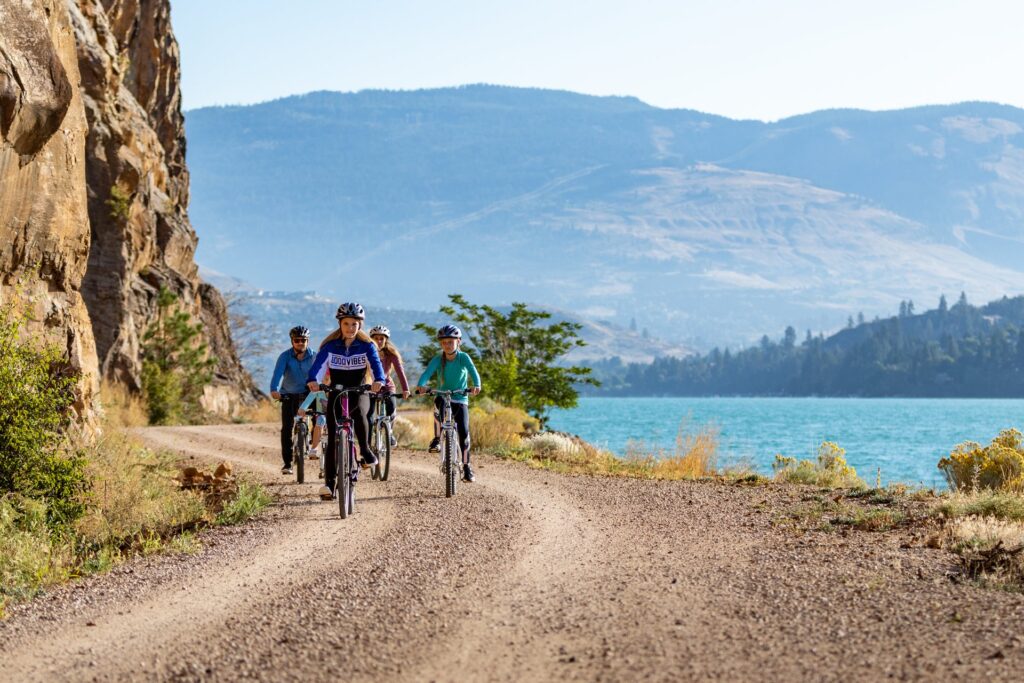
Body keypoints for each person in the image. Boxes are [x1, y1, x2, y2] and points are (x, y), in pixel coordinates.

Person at [306, 302, 385, 500]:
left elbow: (376, 366)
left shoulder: (367, 346)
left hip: (360, 390)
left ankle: (366, 450)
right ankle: (330, 484)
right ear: (340, 324)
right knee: (333, 437)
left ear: (360, 325)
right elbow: (317, 367)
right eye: (346, 324)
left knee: (360, 414)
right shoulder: (330, 346)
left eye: (354, 324)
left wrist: (378, 381)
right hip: (336, 391)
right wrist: (313, 381)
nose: (350, 328)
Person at [415, 324, 482, 482]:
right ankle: (437, 439)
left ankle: (466, 467)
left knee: (464, 433)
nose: (447, 345)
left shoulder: (463, 357)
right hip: (443, 395)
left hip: (460, 398)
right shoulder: (438, 359)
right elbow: (427, 373)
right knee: (437, 406)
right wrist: (421, 385)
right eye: (444, 342)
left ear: (458, 341)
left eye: (450, 342)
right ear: (440, 344)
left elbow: (473, 371)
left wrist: (476, 385)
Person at [270, 326, 316, 475]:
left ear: (307, 341)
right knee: (287, 428)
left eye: (303, 340)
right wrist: (274, 390)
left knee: (321, 416)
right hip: (289, 394)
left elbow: (322, 373)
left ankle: (314, 445)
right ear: (292, 341)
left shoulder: (315, 356)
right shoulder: (285, 356)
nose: (300, 343)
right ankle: (288, 463)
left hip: (309, 394)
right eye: (297, 340)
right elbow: (277, 374)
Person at [368, 325, 410, 446]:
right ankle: (369, 437)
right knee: (368, 413)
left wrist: (406, 389)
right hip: (371, 386)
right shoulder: (367, 353)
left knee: (391, 405)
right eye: (376, 338)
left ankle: (389, 431)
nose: (379, 341)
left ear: (386, 340)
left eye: (382, 338)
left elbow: (400, 371)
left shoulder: (391, 354)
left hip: (387, 386)